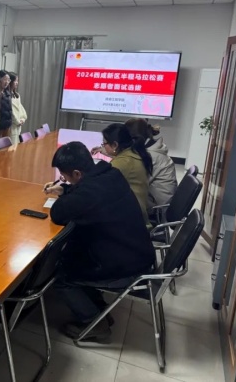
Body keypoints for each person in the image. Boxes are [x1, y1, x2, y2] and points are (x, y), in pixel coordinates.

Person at [46, 142, 155, 342]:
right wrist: (66, 189)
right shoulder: (111, 174)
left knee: (61, 276)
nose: (64, 179)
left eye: (65, 176)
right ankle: (99, 311)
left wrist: (67, 194)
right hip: (136, 250)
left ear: (77, 173)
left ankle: (94, 323)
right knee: (74, 256)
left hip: (124, 265)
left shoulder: (89, 192)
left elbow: (58, 213)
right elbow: (87, 195)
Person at [93, 123, 152, 223]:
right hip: (136, 213)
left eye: (104, 144)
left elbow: (99, 186)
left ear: (115, 145)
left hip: (130, 220)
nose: (103, 146)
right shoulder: (133, 153)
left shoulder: (123, 162)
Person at [125, 118, 177, 211]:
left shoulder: (150, 156)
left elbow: (131, 181)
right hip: (158, 202)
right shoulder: (153, 151)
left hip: (158, 210)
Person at [9, 72, 27, 145]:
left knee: (17, 145)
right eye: (15, 81)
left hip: (18, 126)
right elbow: (11, 111)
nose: (17, 83)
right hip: (12, 125)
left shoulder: (17, 95)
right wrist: (17, 121)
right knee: (11, 146)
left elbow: (21, 109)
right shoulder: (7, 95)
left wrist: (23, 119)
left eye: (17, 81)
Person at [0, 70, 12, 139]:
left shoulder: (7, 93)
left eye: (8, 80)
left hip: (7, 125)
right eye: (5, 79)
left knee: (7, 144)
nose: (7, 82)